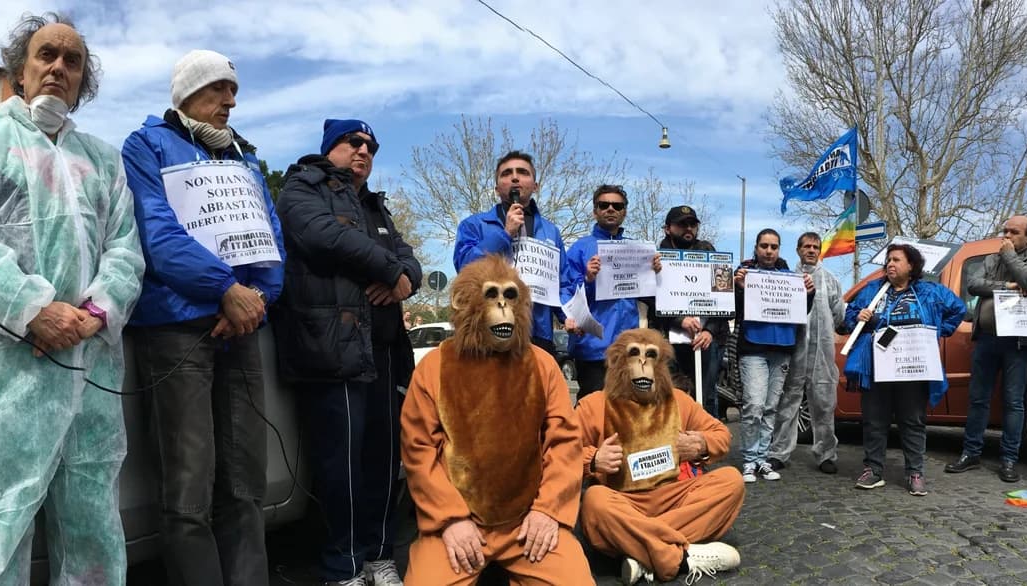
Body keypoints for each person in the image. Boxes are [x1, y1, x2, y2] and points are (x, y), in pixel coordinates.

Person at [0, 13, 145, 583]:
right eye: (47, 54)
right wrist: (31, 311)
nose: (59, 68)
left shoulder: (103, 160)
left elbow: (125, 251)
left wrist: (94, 313)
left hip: (88, 371)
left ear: (81, 81)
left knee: (93, 533)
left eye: (72, 61)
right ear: (21, 69)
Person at [122, 49, 285, 585]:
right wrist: (224, 290)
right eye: (219, 88)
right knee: (188, 491)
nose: (230, 101)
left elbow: (269, 240)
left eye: (233, 91)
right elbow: (158, 235)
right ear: (188, 92)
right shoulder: (145, 146)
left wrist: (255, 299)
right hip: (176, 331)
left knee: (245, 485)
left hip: (240, 330)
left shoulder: (245, 159)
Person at [273, 119, 421, 586]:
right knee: (342, 465)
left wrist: (404, 279)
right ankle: (344, 565)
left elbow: (411, 260)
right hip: (331, 350)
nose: (363, 151)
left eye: (371, 147)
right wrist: (389, 269)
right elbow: (322, 236)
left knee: (382, 460)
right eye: (353, 142)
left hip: (384, 352)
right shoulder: (301, 188)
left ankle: (380, 555)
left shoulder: (376, 206)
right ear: (328, 147)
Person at [401, 255, 594, 586]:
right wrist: (449, 519)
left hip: (526, 518)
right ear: (466, 303)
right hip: (460, 518)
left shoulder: (542, 365)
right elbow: (418, 450)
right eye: (492, 295)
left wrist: (548, 510)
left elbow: (564, 444)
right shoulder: (435, 367)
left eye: (510, 296)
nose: (503, 306)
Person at [577, 328, 743, 584]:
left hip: (674, 497)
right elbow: (564, 451)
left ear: (661, 364)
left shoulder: (678, 400)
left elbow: (721, 433)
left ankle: (640, 550)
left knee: (731, 481)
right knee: (594, 502)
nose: (643, 363)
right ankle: (682, 557)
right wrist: (594, 459)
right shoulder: (594, 405)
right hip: (622, 502)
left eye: (650, 355)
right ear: (619, 363)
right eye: (635, 354)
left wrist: (700, 444)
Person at [845, 244, 966, 495]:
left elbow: (958, 309)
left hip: (913, 367)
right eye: (888, 260)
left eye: (897, 260)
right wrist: (858, 318)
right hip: (877, 366)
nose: (890, 264)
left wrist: (937, 332)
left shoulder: (930, 291)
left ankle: (914, 472)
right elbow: (848, 317)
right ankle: (873, 470)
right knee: (874, 421)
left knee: (913, 420)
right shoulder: (872, 290)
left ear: (911, 265)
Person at [946, 216, 1027, 483]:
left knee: (1014, 402)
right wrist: (1008, 286)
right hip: (987, 339)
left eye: (1014, 232)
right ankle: (971, 453)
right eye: (1005, 231)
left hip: (1018, 342)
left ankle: (1009, 460)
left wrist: (1011, 258)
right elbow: (974, 284)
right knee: (978, 398)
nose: (1007, 236)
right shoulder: (992, 259)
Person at [454, 150, 567, 354]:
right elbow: (465, 267)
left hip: (539, 333)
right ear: (497, 188)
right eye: (506, 173)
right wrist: (505, 234)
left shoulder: (551, 232)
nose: (514, 177)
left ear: (535, 186)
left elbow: (561, 281)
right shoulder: (474, 225)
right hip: (492, 332)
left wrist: (567, 316)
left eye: (523, 172)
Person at [732, 229, 815, 483]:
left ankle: (762, 459)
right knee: (754, 405)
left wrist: (808, 293)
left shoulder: (790, 277)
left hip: (782, 348)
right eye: (764, 246)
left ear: (779, 250)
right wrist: (739, 289)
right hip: (753, 348)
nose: (769, 251)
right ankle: (749, 459)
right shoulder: (744, 275)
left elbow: (801, 312)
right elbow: (733, 310)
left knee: (770, 408)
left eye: (774, 246)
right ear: (756, 248)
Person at [767, 232, 845, 474]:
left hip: (822, 355)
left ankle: (826, 454)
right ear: (798, 250)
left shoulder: (831, 281)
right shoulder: (786, 279)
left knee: (823, 405)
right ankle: (779, 452)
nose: (811, 250)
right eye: (807, 246)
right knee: (788, 403)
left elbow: (839, 314)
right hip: (794, 352)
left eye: (815, 247)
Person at [562, 184, 647, 398]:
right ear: (595, 211)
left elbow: (650, 296)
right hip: (592, 348)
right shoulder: (579, 249)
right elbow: (565, 293)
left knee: (627, 411)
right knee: (593, 412)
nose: (611, 209)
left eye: (617, 205)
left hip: (628, 348)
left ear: (624, 212)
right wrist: (588, 279)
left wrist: (654, 272)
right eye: (604, 205)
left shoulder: (636, 250)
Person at [651, 205, 729, 417]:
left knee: (707, 394)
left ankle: (707, 444)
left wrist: (709, 331)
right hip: (672, 338)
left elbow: (722, 298)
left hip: (708, 338)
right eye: (681, 224)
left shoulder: (708, 252)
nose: (688, 228)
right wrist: (678, 320)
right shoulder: (658, 259)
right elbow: (652, 300)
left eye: (692, 224)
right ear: (668, 228)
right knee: (674, 392)